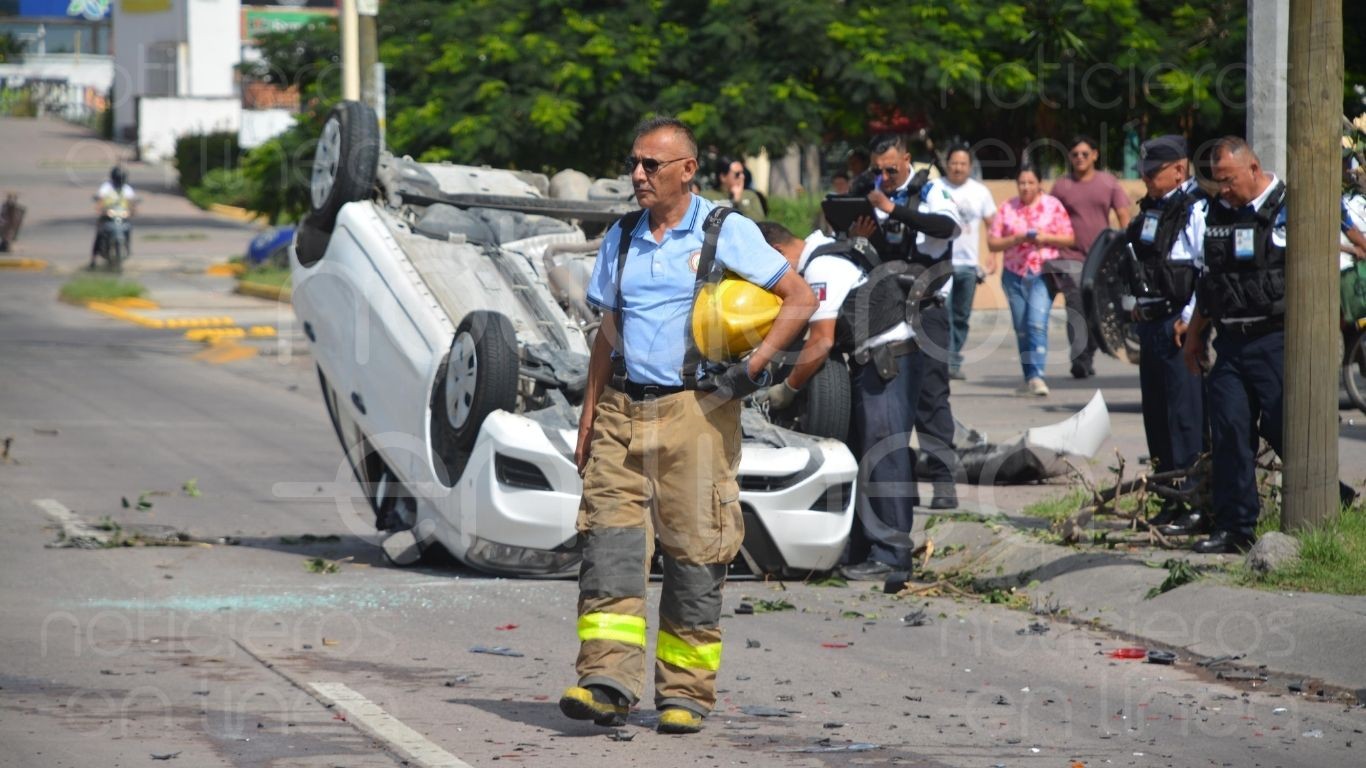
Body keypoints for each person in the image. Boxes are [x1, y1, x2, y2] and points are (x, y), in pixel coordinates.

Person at [560, 117, 816, 734]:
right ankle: (607, 682)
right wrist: (589, 413)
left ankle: (685, 694)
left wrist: (750, 370)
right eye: (634, 163)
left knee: (697, 554)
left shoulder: (726, 231)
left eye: (652, 164)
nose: (638, 174)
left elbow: (800, 299)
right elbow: (607, 331)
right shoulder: (621, 236)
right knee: (609, 549)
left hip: (696, 412)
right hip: (622, 410)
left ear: (687, 170)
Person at [1180, 137, 1357, 553]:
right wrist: (1193, 337)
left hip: (1278, 340)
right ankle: (1235, 528)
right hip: (1231, 342)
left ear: (1253, 169)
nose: (1222, 189)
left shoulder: (1290, 206)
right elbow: (1212, 283)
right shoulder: (1216, 213)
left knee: (1286, 429)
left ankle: (1330, 501)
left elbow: (1353, 247)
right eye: (1217, 181)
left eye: (1228, 180)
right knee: (1228, 431)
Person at [757, 222, 923, 581]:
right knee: (865, 456)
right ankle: (863, 550)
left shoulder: (821, 267)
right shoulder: (832, 250)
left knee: (884, 457)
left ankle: (892, 557)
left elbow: (821, 341)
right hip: (880, 361)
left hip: (888, 361)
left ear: (778, 253)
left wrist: (789, 388)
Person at [852, 134, 964, 512]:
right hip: (886, 310)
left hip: (927, 308)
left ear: (907, 159)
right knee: (889, 399)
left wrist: (894, 209)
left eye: (891, 169)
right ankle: (902, 485)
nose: (884, 176)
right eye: (878, 170)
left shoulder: (930, 190)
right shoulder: (873, 192)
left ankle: (943, 480)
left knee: (932, 397)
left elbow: (947, 228)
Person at [1122, 135, 1207, 535]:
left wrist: (1190, 319)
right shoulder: (1152, 210)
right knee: (1157, 417)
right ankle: (1167, 500)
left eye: (1153, 174)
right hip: (1153, 322)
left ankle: (1195, 503)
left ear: (1179, 169)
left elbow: (1205, 269)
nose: (1147, 181)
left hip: (1180, 327)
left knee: (1185, 419)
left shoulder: (1196, 208)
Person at [987, 166, 1076, 396]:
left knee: (1037, 322)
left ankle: (1038, 375)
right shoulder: (1008, 207)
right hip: (1013, 273)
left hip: (1042, 272)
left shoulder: (1053, 206)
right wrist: (1016, 238)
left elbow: (1069, 238)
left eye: (1030, 182)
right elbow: (993, 243)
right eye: (1022, 183)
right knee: (1022, 327)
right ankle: (1029, 376)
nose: (1026, 187)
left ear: (1039, 183)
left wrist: (1046, 238)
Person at [1049, 136, 1132, 378]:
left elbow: (1123, 216)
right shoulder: (1062, 186)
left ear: (1095, 155)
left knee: (1096, 308)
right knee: (1076, 307)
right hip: (1070, 256)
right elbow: (1050, 217)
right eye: (1075, 154)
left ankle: (1089, 353)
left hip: (1101, 257)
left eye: (1085, 154)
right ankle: (1079, 359)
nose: (1080, 158)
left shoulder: (1108, 183)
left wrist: (1127, 249)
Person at [941, 145, 997, 381]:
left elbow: (992, 223)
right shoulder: (935, 188)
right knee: (943, 313)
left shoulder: (980, 191)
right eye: (954, 162)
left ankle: (952, 359)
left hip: (968, 264)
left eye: (963, 164)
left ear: (969, 166)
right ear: (947, 163)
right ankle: (946, 361)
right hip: (942, 263)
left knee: (961, 315)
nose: (958, 167)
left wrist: (992, 254)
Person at [91, 166, 136, 269]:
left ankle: (127, 248)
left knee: (129, 228)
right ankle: (93, 259)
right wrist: (103, 211)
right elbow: (100, 203)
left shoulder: (127, 189)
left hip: (122, 218)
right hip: (107, 218)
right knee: (99, 233)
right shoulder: (106, 188)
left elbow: (132, 204)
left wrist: (131, 212)